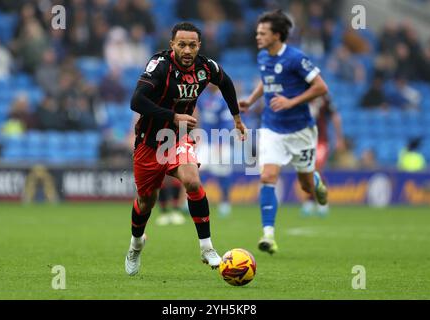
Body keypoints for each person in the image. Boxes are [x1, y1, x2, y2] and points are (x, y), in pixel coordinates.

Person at [125, 22, 247, 276]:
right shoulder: (159, 66)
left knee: (192, 181)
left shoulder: (206, 67)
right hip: (149, 142)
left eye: (192, 44)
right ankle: (136, 244)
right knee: (147, 201)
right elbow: (136, 101)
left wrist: (236, 117)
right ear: (172, 45)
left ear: (199, 46)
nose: (187, 49)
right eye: (181, 44)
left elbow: (226, 83)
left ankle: (206, 247)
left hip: (177, 138)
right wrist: (174, 116)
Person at [239, 10, 329, 255]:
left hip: (300, 131)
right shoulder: (262, 57)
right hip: (272, 128)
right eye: (257, 32)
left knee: (307, 187)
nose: (257, 36)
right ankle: (268, 235)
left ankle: (316, 181)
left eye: (262, 33)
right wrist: (251, 99)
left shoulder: (296, 58)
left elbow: (321, 87)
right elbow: (266, 80)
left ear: (277, 35)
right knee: (267, 176)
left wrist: (292, 102)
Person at [301, 94, 345, 217]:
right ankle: (312, 202)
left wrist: (339, 138)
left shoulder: (325, 99)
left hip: (321, 140)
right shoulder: (301, 96)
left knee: (316, 170)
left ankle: (320, 203)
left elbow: (336, 117)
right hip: (305, 141)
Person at [196, 84, 234, 217]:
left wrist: (221, 141)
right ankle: (195, 201)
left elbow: (227, 123)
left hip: (220, 142)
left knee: (222, 173)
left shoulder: (224, 99)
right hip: (205, 141)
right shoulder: (203, 98)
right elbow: (198, 117)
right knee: (196, 170)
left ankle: (225, 202)